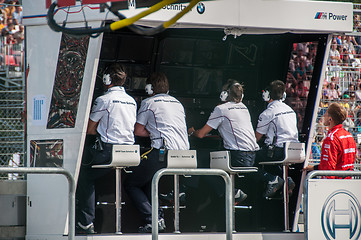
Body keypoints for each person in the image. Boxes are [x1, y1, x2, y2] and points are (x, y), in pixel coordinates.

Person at [124, 72, 189, 233]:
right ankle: (157, 219)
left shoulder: (148, 102)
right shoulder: (177, 103)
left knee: (131, 184)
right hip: (185, 155)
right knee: (149, 179)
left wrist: (153, 133)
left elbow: (138, 131)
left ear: (149, 88)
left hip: (163, 153)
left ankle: (152, 218)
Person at [76, 64, 137, 234]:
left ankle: (86, 222)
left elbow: (89, 129)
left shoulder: (103, 100)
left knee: (83, 175)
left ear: (107, 79)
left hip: (109, 151)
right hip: (130, 153)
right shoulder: (132, 101)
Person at [188, 79, 259, 203]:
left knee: (200, 160)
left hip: (238, 156)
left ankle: (185, 192)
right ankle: (229, 193)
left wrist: (191, 131)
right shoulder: (244, 107)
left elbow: (200, 134)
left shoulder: (221, 109)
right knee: (210, 159)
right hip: (251, 156)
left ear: (224, 94)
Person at [255, 80, 299, 198]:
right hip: (294, 151)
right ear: (283, 95)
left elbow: (256, 137)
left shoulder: (268, 113)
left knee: (250, 158)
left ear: (267, 95)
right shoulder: (291, 110)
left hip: (279, 151)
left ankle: (272, 179)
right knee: (270, 157)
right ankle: (287, 180)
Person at [304, 103, 356, 178]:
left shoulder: (331, 138)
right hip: (347, 182)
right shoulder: (349, 136)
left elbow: (328, 169)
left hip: (333, 184)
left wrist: (314, 169)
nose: (323, 116)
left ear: (330, 118)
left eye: (325, 114)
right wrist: (314, 167)